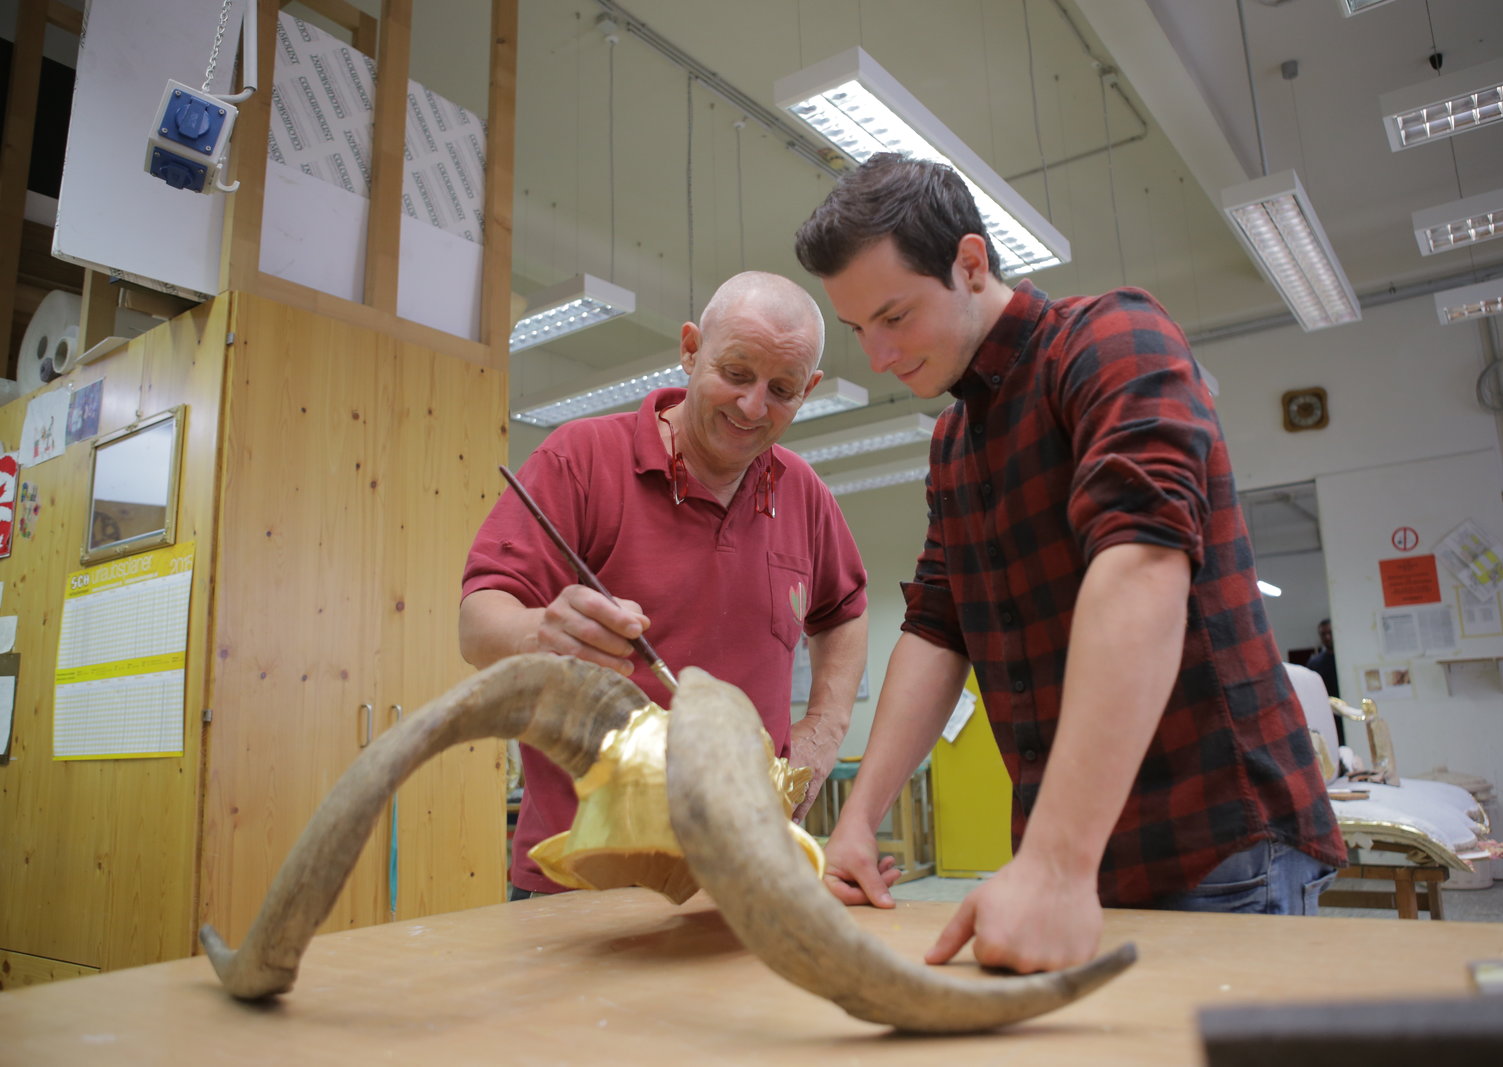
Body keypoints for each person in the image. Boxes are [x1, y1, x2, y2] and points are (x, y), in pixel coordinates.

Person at [793, 154, 1345, 973]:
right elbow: (937, 628)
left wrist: (1055, 861)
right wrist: (856, 821)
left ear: (970, 264)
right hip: (1079, 855)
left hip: (1216, 843)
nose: (877, 356)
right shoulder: (954, 442)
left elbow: (1141, 568)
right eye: (857, 330)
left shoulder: (1110, 340)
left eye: (894, 316)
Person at [460, 271, 870, 899]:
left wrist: (825, 724)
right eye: (735, 373)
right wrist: (541, 633)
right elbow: (477, 624)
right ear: (690, 349)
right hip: (584, 877)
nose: (753, 407)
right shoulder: (580, 458)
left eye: (782, 390)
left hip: (744, 872)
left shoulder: (803, 493)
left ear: (808, 389)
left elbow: (844, 612)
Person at [1306, 619, 1344, 744]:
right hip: (1328, 714)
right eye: (1323, 634)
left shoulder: (1346, 658)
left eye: (1330, 633)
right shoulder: (1315, 663)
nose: (1327, 637)